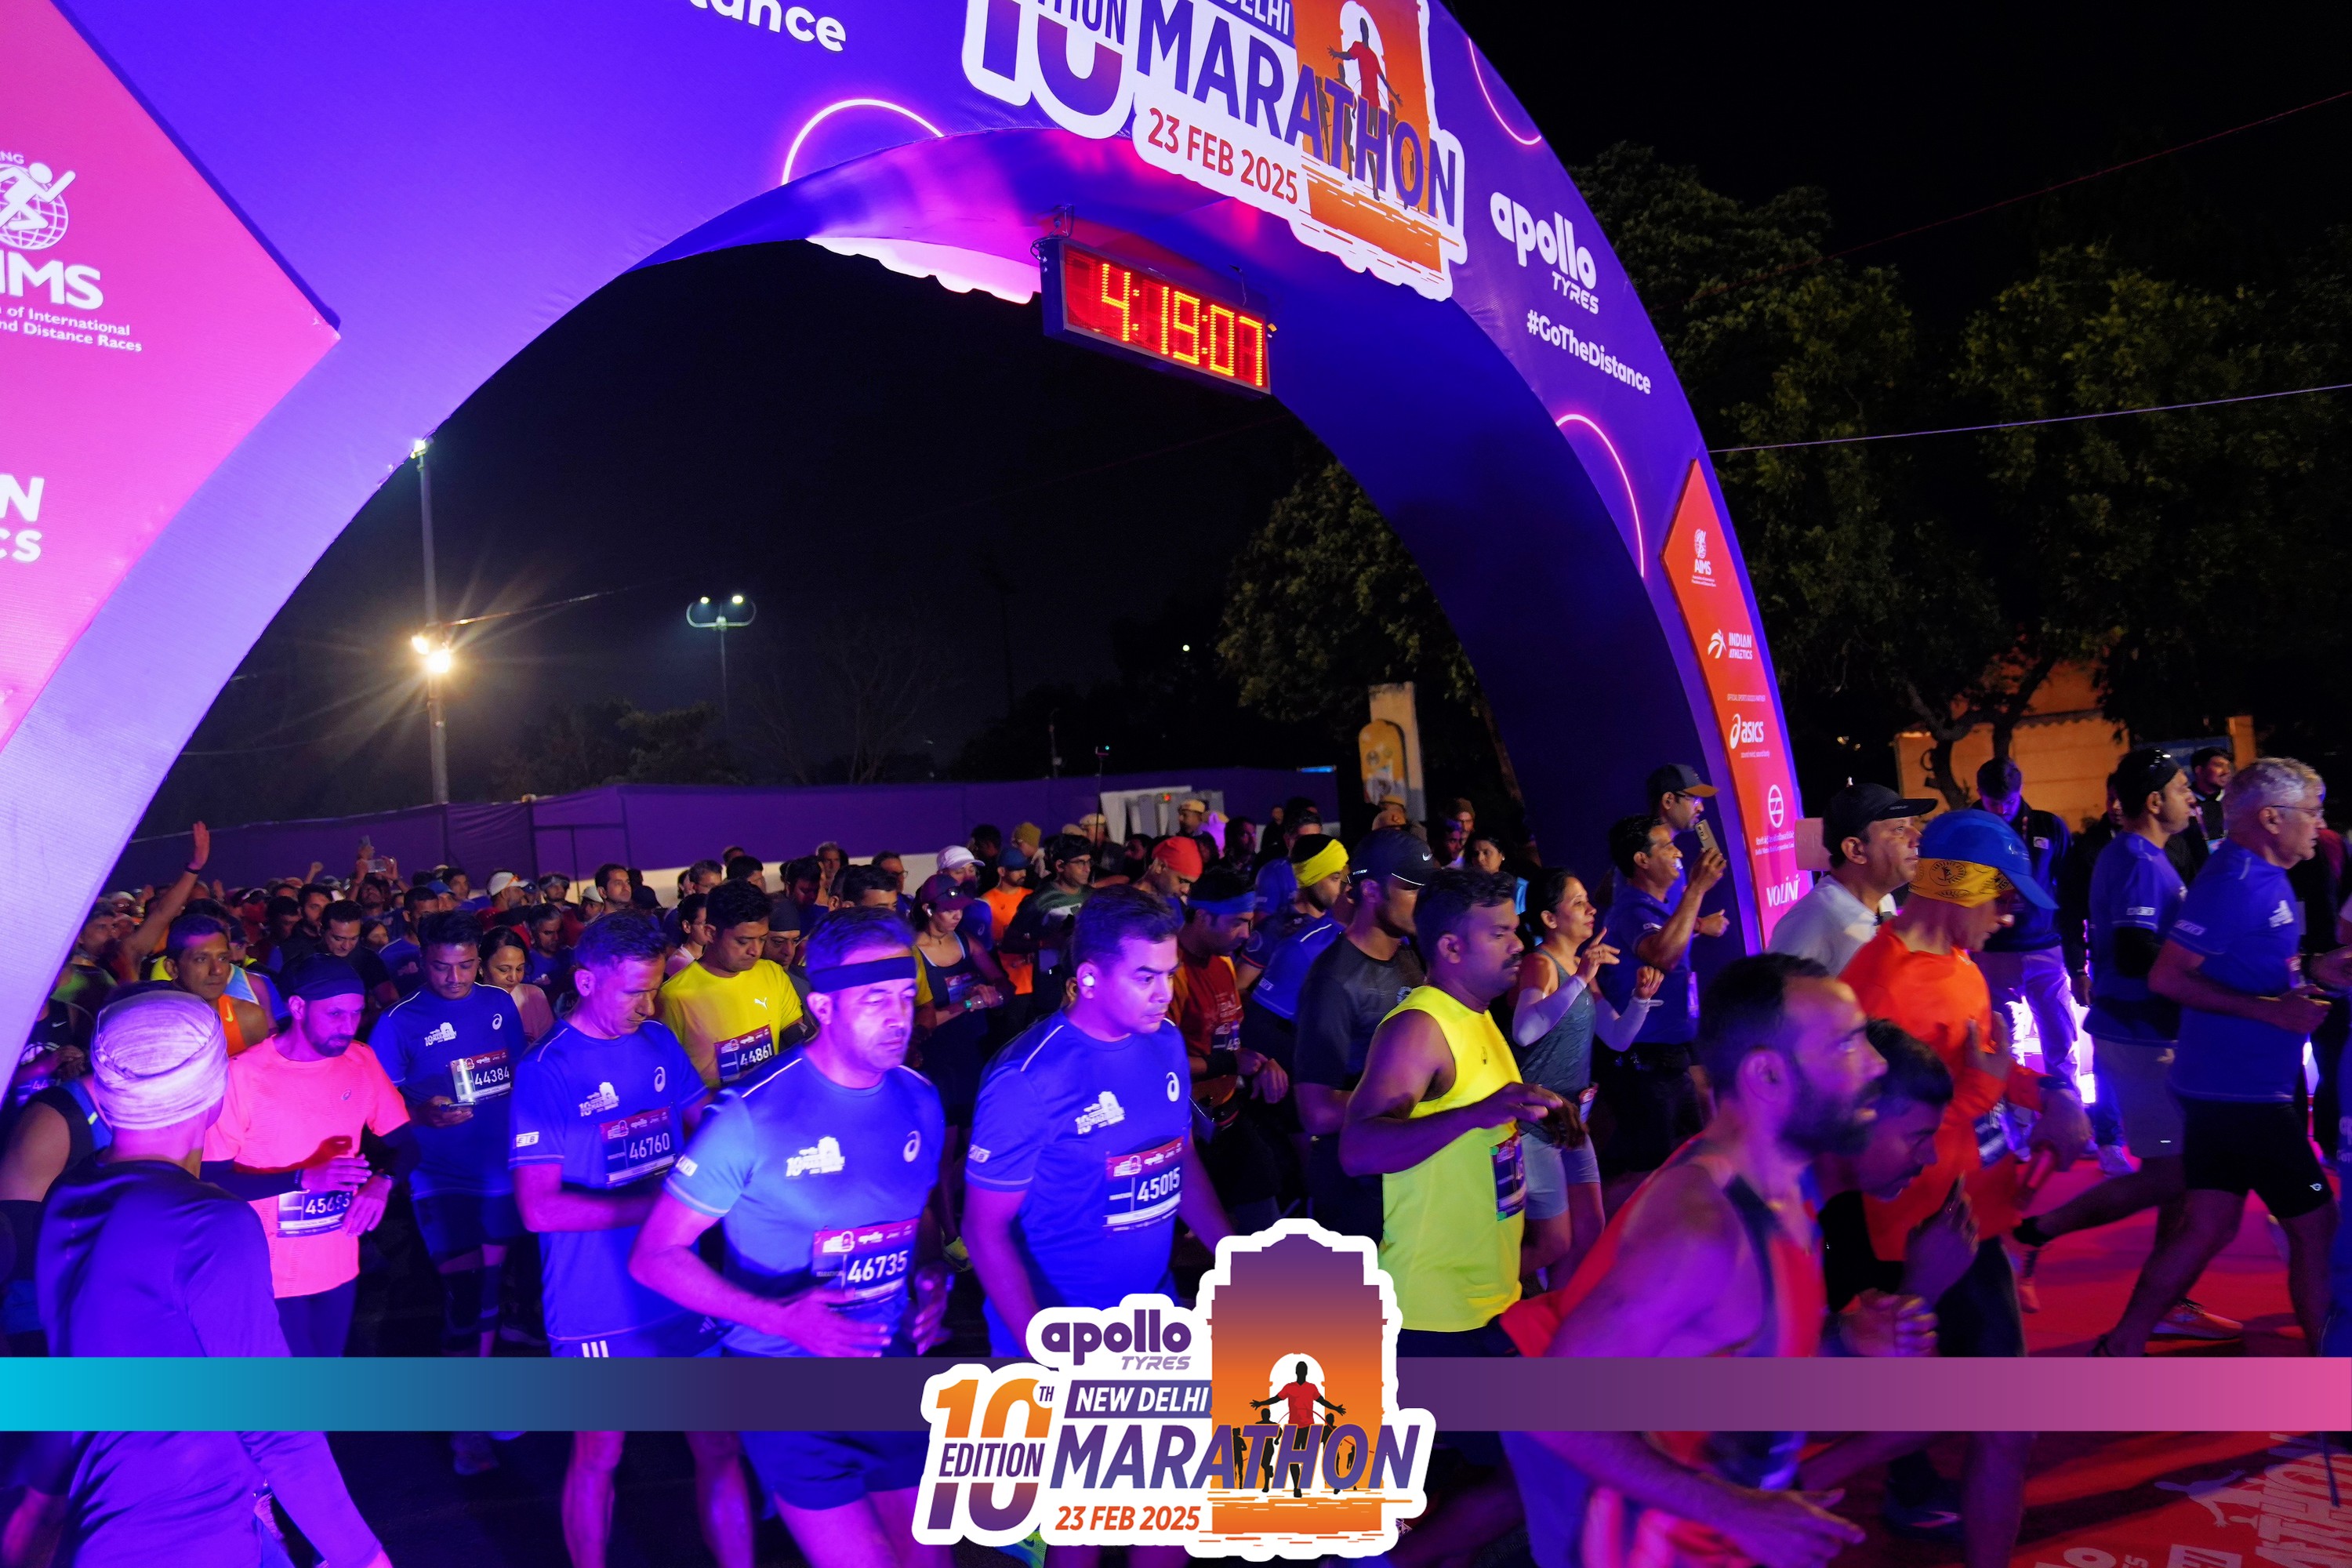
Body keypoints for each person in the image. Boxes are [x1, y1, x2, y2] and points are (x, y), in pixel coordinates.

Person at [1501, 956, 1927, 1568]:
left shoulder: (1786, 1190)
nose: (1878, 1065)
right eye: (1845, 1045)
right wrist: (1738, 1512)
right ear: (1768, 1075)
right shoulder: (1702, 1227)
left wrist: (1845, 1341)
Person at [629, 906, 952, 1568]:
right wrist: (780, 1318)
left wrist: (929, 1275)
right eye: (874, 1000)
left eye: (903, 995)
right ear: (823, 1006)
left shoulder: (920, 1099)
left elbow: (910, 1218)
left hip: (886, 1365)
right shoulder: (750, 1115)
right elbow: (654, 1257)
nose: (899, 1017)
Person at [33, 989, 391, 1568]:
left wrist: (36, 1509)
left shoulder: (69, 1193)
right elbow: (275, 1423)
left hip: (100, 1528)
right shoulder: (209, 1222)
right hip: (195, 1531)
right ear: (213, 1088)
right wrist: (360, 1554)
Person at [507, 912, 751, 1568]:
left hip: (679, 1284)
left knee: (719, 1443)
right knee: (600, 1453)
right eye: (634, 992)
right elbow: (538, 1209)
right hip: (595, 1300)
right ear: (587, 981)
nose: (648, 1006)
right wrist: (662, 1206)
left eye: (653, 990)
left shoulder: (658, 1040)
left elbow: (706, 1125)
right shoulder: (546, 1070)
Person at [2098, 757, 2347, 1356]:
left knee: (2208, 1226)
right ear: (2271, 818)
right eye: (2311, 812)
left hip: (2225, 1086)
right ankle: (2335, 1374)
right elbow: (2166, 976)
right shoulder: (2236, 881)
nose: (2320, 825)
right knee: (2316, 1227)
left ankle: (2122, 1343)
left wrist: (2315, 969)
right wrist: (2272, 1011)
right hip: (2242, 1093)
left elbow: (2244, 963)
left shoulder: (2262, 873)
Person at [1842, 810, 2090, 1359]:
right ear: (1957, 884)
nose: (2007, 917)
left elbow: (1986, 1067)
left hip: (1971, 1216)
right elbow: (1870, 1141)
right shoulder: (1880, 985)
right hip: (1918, 1239)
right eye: (2002, 899)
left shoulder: (1959, 964)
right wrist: (1980, 1095)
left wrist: (2050, 1094)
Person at [2013, 749, 2240, 1342]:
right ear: (2154, 801)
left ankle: (2169, 1299)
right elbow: (2137, 949)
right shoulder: (2138, 858)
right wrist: (2215, 969)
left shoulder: (2145, 854)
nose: (2194, 800)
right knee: (2173, 1176)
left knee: (2179, 1175)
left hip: (2149, 1035)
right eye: (2183, 789)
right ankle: (2032, 1235)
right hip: (2141, 1040)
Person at [964, 886, 1234, 1388]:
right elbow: (983, 1230)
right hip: (1059, 1336)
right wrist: (1041, 1350)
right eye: (1145, 977)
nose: (1165, 993)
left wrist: (1237, 1258)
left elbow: (1180, 1157)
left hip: (1153, 1324)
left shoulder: (1166, 1043)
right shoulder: (1026, 1079)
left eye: (1170, 974)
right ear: (1088, 977)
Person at [199, 956, 419, 1356]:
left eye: (356, 1013)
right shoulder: (242, 1075)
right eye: (335, 1014)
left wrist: (382, 1184)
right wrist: (302, 1179)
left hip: (339, 1261)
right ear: (298, 1007)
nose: (348, 1026)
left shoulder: (361, 1061)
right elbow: (211, 1181)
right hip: (267, 1269)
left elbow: (406, 1145)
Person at [376, 914, 526, 1443]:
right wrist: (419, 1113)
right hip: (440, 1177)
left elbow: (516, 1076)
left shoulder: (500, 1003)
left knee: (488, 1291)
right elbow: (376, 1106)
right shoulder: (398, 1021)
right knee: (463, 1295)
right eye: (443, 967)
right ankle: (465, 1427)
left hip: (500, 1173)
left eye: (465, 965)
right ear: (424, 961)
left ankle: (477, 1408)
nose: (455, 977)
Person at [1511, 869, 1662, 1289]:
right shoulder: (1540, 964)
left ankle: (1558, 1316)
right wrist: (1579, 978)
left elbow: (1617, 1037)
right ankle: (1479, 1295)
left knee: (1590, 1229)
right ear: (1549, 918)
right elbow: (1525, 1030)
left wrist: (1640, 1000)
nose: (1591, 909)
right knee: (1554, 1243)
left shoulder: (1580, 970)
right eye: (1578, 903)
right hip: (1534, 1124)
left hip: (1572, 1120)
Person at [1294, 830, 1433, 1240]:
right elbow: (1316, 1111)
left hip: (1404, 1176)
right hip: (1357, 1191)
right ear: (1370, 890)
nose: (1424, 900)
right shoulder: (1333, 981)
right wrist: (1422, 1099)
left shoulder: (1409, 954)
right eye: (1412, 888)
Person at [1593, 815, 1726, 1206]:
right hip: (1645, 1060)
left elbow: (1673, 939)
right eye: (1666, 846)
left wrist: (1697, 921)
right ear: (1642, 860)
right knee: (1649, 1174)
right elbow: (1663, 954)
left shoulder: (1656, 905)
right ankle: (1609, 1227)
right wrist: (1697, 888)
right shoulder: (1630, 910)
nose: (1677, 852)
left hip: (1673, 1053)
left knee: (1684, 1160)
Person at [1170, 866, 1288, 1234]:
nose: (1247, 935)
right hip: (1184, 1129)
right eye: (1238, 923)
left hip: (1226, 1117)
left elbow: (1226, 1035)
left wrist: (1260, 1063)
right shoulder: (1170, 973)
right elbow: (1158, 1065)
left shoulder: (1223, 962)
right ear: (1203, 917)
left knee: (1266, 1224)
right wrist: (1230, 1062)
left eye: (1249, 922)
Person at [1972, 757, 2080, 1105]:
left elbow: (2069, 888)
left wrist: (2076, 955)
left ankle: (2068, 1111)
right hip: (1993, 951)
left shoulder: (2048, 826)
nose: (2002, 809)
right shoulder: (1967, 829)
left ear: (2021, 792)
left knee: (2061, 1040)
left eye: (2009, 801)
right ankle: (2014, 1123)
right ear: (1979, 793)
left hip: (2045, 947)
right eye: (1993, 802)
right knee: (2005, 1043)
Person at [909, 873, 1007, 1241]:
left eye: (960, 909)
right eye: (948, 910)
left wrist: (995, 994)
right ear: (928, 909)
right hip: (937, 1059)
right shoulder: (911, 952)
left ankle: (969, 1221)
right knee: (946, 1147)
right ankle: (949, 1236)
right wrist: (969, 1004)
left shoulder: (966, 942)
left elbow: (1004, 983)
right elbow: (922, 1021)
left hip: (972, 1052)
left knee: (980, 1142)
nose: (956, 916)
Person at [658, 878, 809, 1092]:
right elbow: (669, 1077)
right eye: (743, 941)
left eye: (762, 939)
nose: (755, 951)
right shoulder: (674, 997)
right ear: (711, 933)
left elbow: (797, 1039)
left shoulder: (772, 974)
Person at [1769, 782, 1934, 975]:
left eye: (1911, 825)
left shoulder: (1884, 902)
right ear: (1855, 850)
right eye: (1899, 829)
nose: (1918, 837)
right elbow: (1770, 992)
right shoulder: (1812, 920)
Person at [1237, 833, 1348, 989]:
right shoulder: (1274, 929)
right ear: (1311, 877)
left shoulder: (1339, 921)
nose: (1341, 887)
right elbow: (1237, 986)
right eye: (1335, 878)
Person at [162, 910, 275, 1056]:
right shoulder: (152, 1023)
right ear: (172, 968)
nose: (217, 970)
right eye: (201, 959)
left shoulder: (249, 1019)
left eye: (223, 959)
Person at [997, 833, 1092, 997]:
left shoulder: (1092, 895)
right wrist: (1046, 942)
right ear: (1060, 866)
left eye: (1089, 861)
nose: (1087, 868)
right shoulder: (1039, 900)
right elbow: (1008, 943)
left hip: (1087, 984)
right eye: (1080, 863)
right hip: (1052, 987)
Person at [481, 924, 556, 1041]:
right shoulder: (468, 1004)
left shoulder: (534, 996)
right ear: (481, 967)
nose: (514, 978)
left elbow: (548, 1045)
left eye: (519, 969)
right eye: (504, 970)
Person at [1142, 834, 1203, 902]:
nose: (1186, 890)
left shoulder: (1173, 901)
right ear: (1161, 866)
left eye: (1190, 885)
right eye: (1182, 881)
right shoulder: (1134, 902)